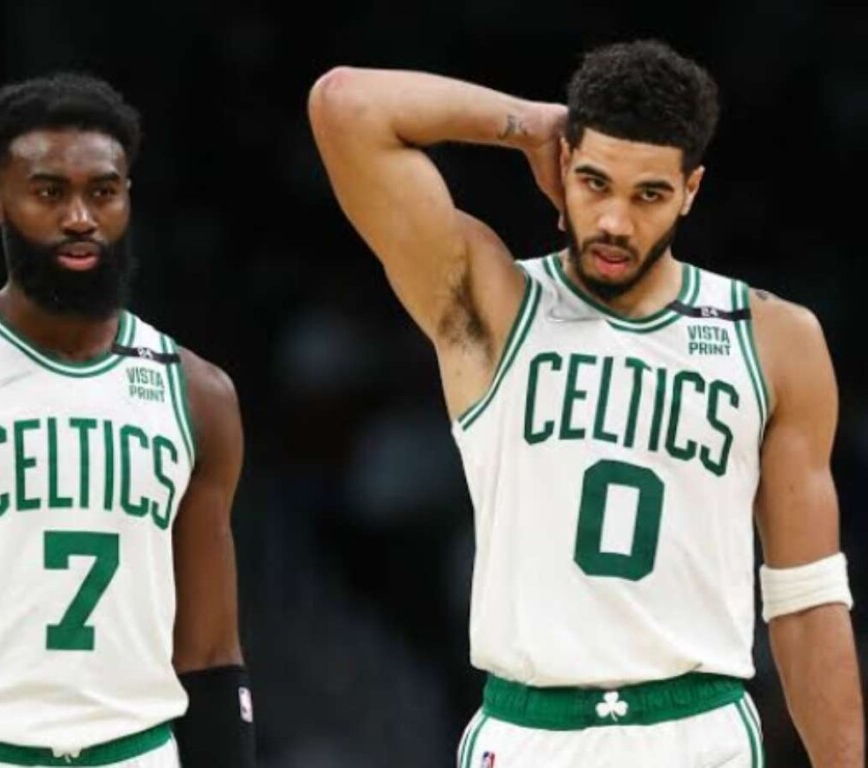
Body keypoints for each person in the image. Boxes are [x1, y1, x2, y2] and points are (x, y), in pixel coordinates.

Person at [308, 39, 863, 766]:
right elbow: (346, 104)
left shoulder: (774, 340)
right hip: (529, 728)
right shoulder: (494, 303)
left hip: (699, 729)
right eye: (596, 182)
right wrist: (531, 122)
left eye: (649, 194)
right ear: (564, 165)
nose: (614, 223)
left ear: (691, 190)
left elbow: (807, 601)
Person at [0, 73, 257, 768]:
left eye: (103, 191)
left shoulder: (198, 393)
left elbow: (212, 650)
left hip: (135, 752)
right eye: (49, 192)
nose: (79, 217)